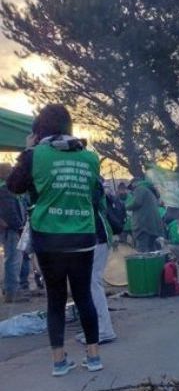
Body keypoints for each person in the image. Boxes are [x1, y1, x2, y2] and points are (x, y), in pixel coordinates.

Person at [6, 104, 104, 375]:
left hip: (49, 240)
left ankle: (59, 362)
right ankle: (94, 358)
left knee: (56, 300)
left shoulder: (35, 155)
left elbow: (14, 186)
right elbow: (95, 196)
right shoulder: (90, 158)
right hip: (83, 235)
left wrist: (27, 150)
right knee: (84, 296)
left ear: (39, 130)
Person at [76, 179, 119, 345]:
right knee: (90, 283)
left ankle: (104, 330)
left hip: (95, 236)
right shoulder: (90, 181)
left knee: (92, 283)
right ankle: (95, 328)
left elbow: (88, 204)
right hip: (95, 236)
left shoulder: (90, 183)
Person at [0, 163, 27, 303]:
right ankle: (12, 292)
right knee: (13, 261)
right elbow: (10, 212)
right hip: (11, 230)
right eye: (11, 171)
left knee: (13, 259)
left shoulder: (6, 188)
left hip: (11, 229)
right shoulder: (5, 189)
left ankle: (11, 289)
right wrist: (19, 226)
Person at [126, 177, 162, 252]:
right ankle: (154, 263)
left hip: (143, 225)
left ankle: (143, 263)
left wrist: (125, 207)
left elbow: (137, 203)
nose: (132, 190)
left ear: (134, 184)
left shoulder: (139, 189)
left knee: (142, 249)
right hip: (153, 226)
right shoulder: (150, 192)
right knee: (152, 249)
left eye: (131, 188)